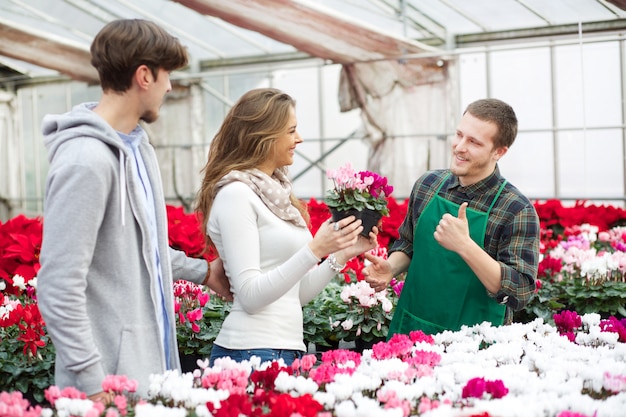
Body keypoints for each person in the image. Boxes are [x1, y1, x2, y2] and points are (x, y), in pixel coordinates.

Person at [37, 19, 232, 402]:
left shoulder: (137, 148)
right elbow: (58, 285)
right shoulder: (85, 160)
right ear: (144, 75)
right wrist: (93, 384)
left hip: (149, 376)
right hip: (106, 388)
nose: (171, 86)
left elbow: (143, 250)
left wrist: (204, 272)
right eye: (167, 75)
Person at [195, 88, 378, 366]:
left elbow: (297, 294)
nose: (299, 139)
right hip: (249, 353)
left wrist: (342, 253)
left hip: (287, 351)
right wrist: (315, 248)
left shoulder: (277, 193)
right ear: (264, 136)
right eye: (291, 131)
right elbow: (250, 296)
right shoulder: (236, 195)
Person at [363, 98, 540, 336]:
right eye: (459, 135)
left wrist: (465, 246)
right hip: (412, 327)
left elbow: (519, 291)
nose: (459, 147)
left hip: (472, 344)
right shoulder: (428, 184)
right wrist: (390, 268)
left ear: (499, 151)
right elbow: (409, 243)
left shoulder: (516, 210)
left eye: (474, 142)